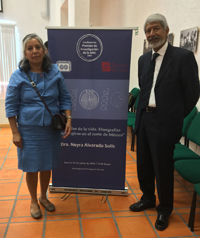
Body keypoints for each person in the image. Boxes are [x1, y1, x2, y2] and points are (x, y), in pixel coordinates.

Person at [129, 13, 199, 231]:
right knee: (144, 165)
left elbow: (192, 93)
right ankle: (148, 197)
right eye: (148, 30)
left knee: (163, 169)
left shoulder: (183, 57)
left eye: (156, 28)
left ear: (166, 31)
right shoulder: (143, 60)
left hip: (165, 122)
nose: (151, 34)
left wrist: (174, 116)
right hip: (144, 119)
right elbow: (144, 88)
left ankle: (164, 209)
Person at [5, 34, 72, 219]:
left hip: (51, 128)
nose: (34, 51)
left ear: (44, 50)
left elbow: (65, 97)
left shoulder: (55, 72)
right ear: (25, 53)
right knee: (31, 166)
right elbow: (10, 106)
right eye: (30, 48)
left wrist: (70, 119)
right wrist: (15, 132)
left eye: (37, 47)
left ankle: (44, 196)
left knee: (47, 164)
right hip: (29, 130)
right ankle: (33, 200)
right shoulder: (18, 76)